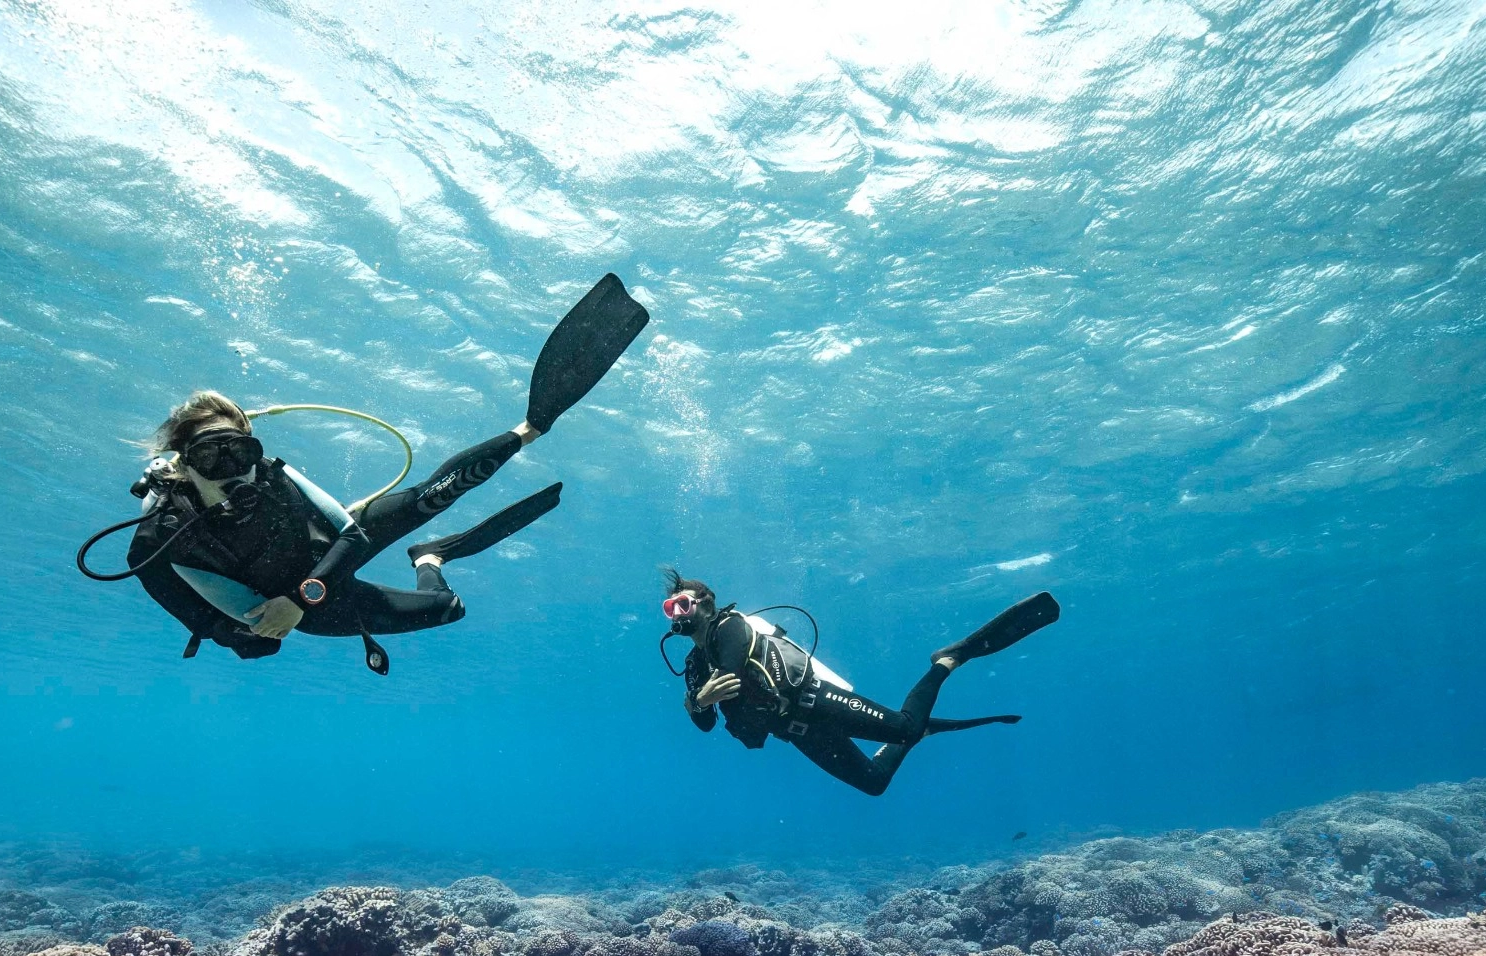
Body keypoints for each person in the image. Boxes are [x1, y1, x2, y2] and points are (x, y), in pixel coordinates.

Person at [95, 275, 649, 669]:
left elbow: (352, 532)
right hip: (314, 608)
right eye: (212, 458)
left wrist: (301, 594)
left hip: (333, 550)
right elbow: (186, 606)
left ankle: (529, 429)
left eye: (240, 453)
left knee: (434, 495)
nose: (234, 472)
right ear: (182, 463)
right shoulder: (156, 538)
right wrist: (235, 634)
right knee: (447, 611)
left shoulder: (270, 475)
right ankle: (430, 559)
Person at [663, 571, 1059, 795]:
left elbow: (731, 671)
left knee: (904, 728)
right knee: (873, 783)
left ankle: (946, 661)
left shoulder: (729, 625)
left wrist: (699, 698)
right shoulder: (695, 663)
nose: (676, 613)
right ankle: (918, 730)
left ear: (707, 603)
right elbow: (706, 723)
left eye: (683, 603)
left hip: (815, 702)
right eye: (669, 609)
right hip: (795, 731)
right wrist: (696, 703)